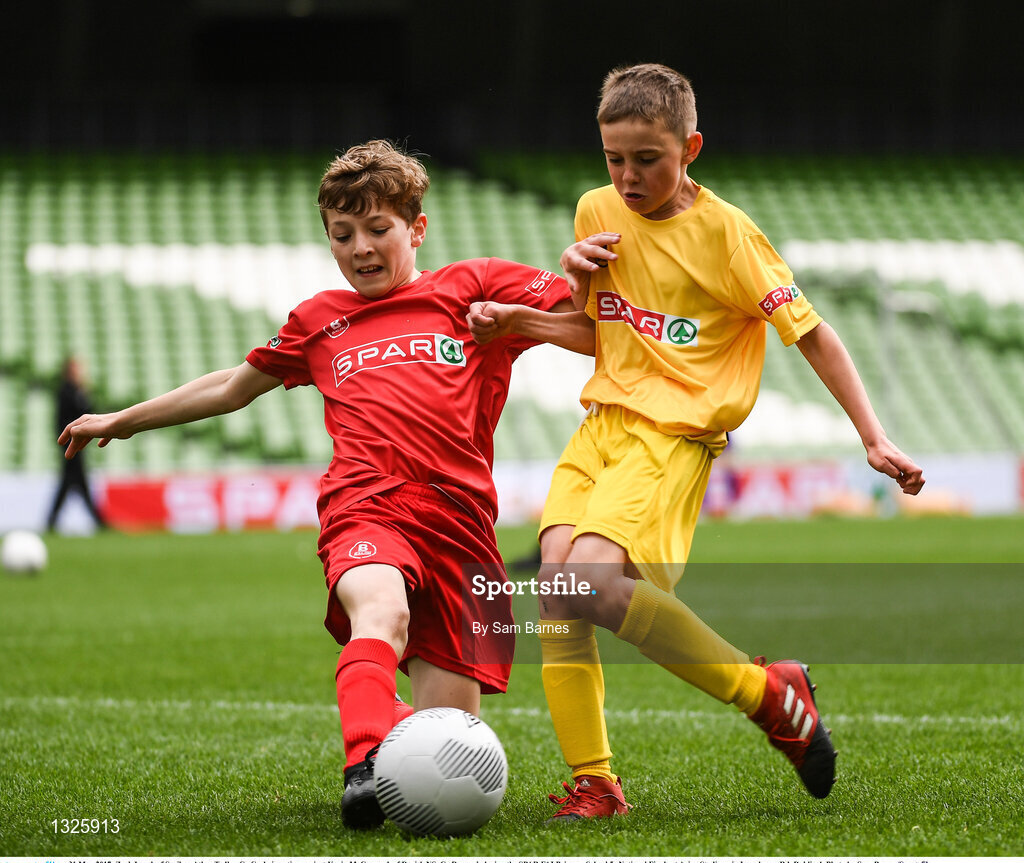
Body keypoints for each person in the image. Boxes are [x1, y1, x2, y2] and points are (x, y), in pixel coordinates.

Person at [58, 139, 593, 830]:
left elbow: (590, 319)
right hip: (366, 506)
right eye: (342, 235)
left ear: (416, 228)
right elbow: (230, 386)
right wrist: (126, 420)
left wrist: (530, 312)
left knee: (445, 737)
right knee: (381, 614)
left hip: (462, 530)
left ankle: (386, 727)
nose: (360, 247)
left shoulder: (474, 287)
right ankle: (362, 766)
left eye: (378, 230)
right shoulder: (319, 319)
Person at [468, 63, 925, 820]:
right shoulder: (594, 212)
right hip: (601, 426)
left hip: (672, 435)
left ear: (691, 148)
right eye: (614, 158)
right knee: (557, 588)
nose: (628, 175)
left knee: (582, 584)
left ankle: (768, 693)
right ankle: (596, 781)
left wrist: (872, 438)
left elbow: (811, 335)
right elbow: (601, 333)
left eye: (646, 159)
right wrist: (522, 319)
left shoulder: (728, 235)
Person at [47, 356, 108, 532]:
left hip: (77, 442)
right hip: (70, 443)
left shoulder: (76, 391)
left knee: (72, 483)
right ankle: (98, 521)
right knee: (75, 482)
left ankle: (53, 520)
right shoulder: (65, 392)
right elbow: (67, 417)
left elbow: (88, 411)